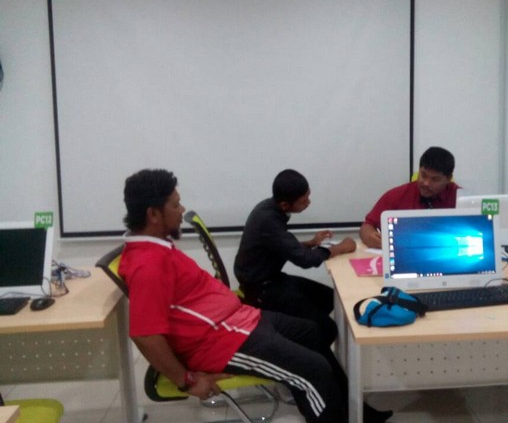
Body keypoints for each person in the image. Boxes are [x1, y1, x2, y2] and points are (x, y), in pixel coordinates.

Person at [119, 169, 391, 423]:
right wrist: (187, 381)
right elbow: (145, 335)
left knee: (314, 333)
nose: (181, 210)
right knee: (314, 369)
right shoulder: (147, 266)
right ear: (153, 214)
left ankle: (354, 412)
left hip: (238, 321)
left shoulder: (159, 249)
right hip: (221, 342)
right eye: (175, 204)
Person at [234, 169, 356, 346]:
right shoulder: (268, 220)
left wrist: (311, 243)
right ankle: (309, 353)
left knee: (330, 299)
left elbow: (283, 246)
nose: (309, 202)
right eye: (304, 201)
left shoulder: (269, 208)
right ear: (285, 205)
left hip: (271, 278)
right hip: (262, 289)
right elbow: (305, 260)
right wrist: (341, 248)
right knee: (327, 329)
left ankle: (308, 340)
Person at [360, 146, 460, 249]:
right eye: (423, 175)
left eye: (435, 180)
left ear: (448, 179)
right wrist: (370, 236)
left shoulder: (460, 198)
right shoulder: (397, 195)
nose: (426, 183)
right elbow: (367, 226)